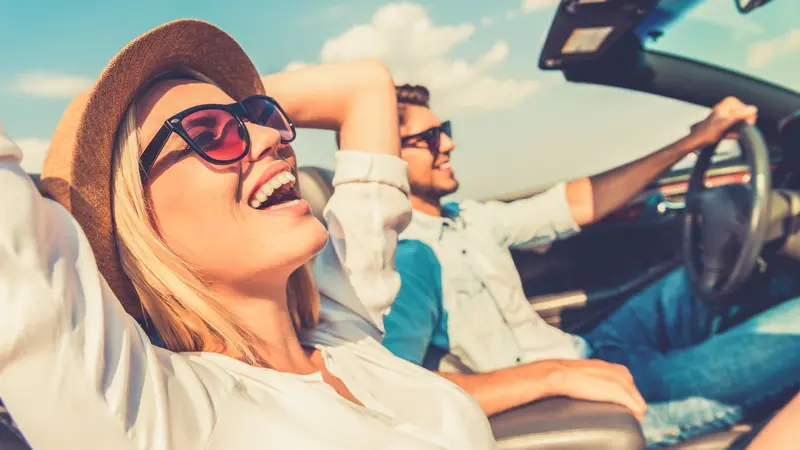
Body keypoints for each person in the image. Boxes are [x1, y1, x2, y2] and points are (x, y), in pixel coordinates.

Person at [0, 21, 494, 450]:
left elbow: (366, 86)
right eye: (210, 133)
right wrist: (99, 130)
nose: (272, 137)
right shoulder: (165, 414)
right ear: (138, 219)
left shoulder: (345, 325)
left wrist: (227, 95)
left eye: (260, 117)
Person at [381, 84, 800, 447]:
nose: (449, 145)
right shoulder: (404, 259)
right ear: (385, 156)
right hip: (578, 402)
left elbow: (580, 202)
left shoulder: (464, 217)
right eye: (429, 138)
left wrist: (693, 141)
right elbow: (401, 394)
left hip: (593, 349)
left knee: (711, 276)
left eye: (445, 131)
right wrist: (551, 377)